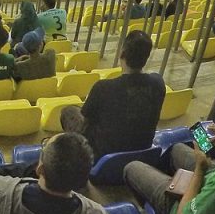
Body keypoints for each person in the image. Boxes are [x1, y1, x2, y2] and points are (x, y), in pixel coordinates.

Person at [60, 30, 165, 159]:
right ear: (146, 57)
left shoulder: (103, 87)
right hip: (143, 148)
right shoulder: (158, 83)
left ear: (122, 53)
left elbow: (86, 121)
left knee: (69, 112)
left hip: (103, 156)